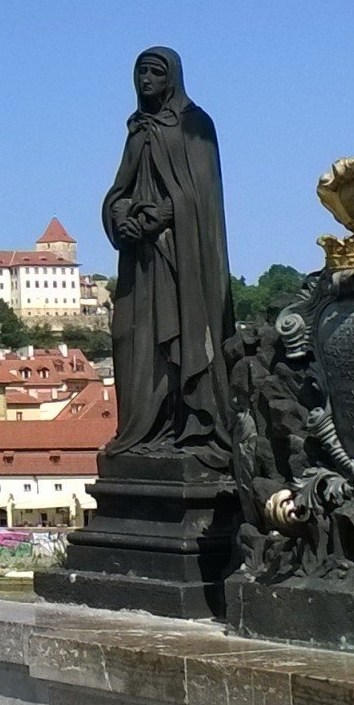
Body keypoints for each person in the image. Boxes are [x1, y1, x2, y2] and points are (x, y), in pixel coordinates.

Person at [99, 46, 235, 471]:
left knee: (180, 338)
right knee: (130, 336)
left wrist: (160, 215)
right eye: (140, 73)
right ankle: (144, 428)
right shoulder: (137, 131)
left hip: (181, 257)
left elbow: (203, 197)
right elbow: (119, 189)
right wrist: (121, 216)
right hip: (141, 260)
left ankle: (191, 426)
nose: (146, 81)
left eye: (155, 73)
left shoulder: (196, 125)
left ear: (172, 77)